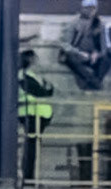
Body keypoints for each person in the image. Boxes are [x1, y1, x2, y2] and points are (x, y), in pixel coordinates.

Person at [19, 49, 56, 179]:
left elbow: (49, 89)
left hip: (38, 115)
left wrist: (47, 88)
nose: (37, 61)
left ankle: (29, 175)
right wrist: (46, 88)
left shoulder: (32, 75)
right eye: (35, 58)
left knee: (33, 147)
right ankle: (28, 176)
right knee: (31, 147)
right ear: (29, 60)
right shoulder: (23, 76)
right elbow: (42, 91)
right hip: (31, 114)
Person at [63, 0, 110, 91]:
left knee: (108, 57)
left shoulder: (99, 23)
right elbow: (65, 45)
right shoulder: (74, 23)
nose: (90, 11)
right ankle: (95, 83)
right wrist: (79, 53)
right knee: (69, 58)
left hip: (93, 56)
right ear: (83, 9)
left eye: (93, 8)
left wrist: (97, 54)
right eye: (88, 8)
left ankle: (93, 83)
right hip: (77, 54)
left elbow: (104, 46)